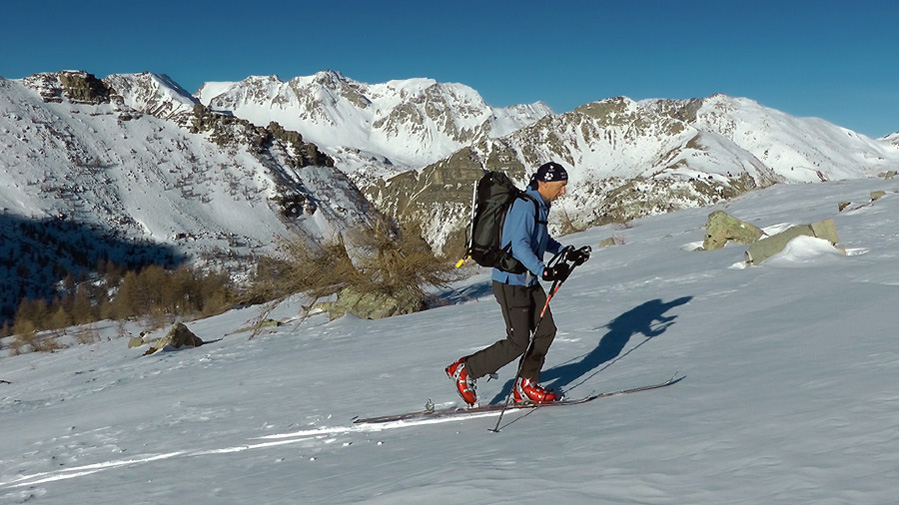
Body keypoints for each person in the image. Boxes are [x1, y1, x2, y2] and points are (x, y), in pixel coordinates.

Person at [446, 162, 589, 405]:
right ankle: (466, 370)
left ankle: (526, 384)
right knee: (518, 341)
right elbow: (519, 245)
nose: (563, 192)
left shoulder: (540, 205)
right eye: (560, 186)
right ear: (544, 183)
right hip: (511, 282)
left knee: (546, 331)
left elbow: (540, 239)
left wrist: (566, 252)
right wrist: (542, 270)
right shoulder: (525, 206)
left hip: (528, 281)